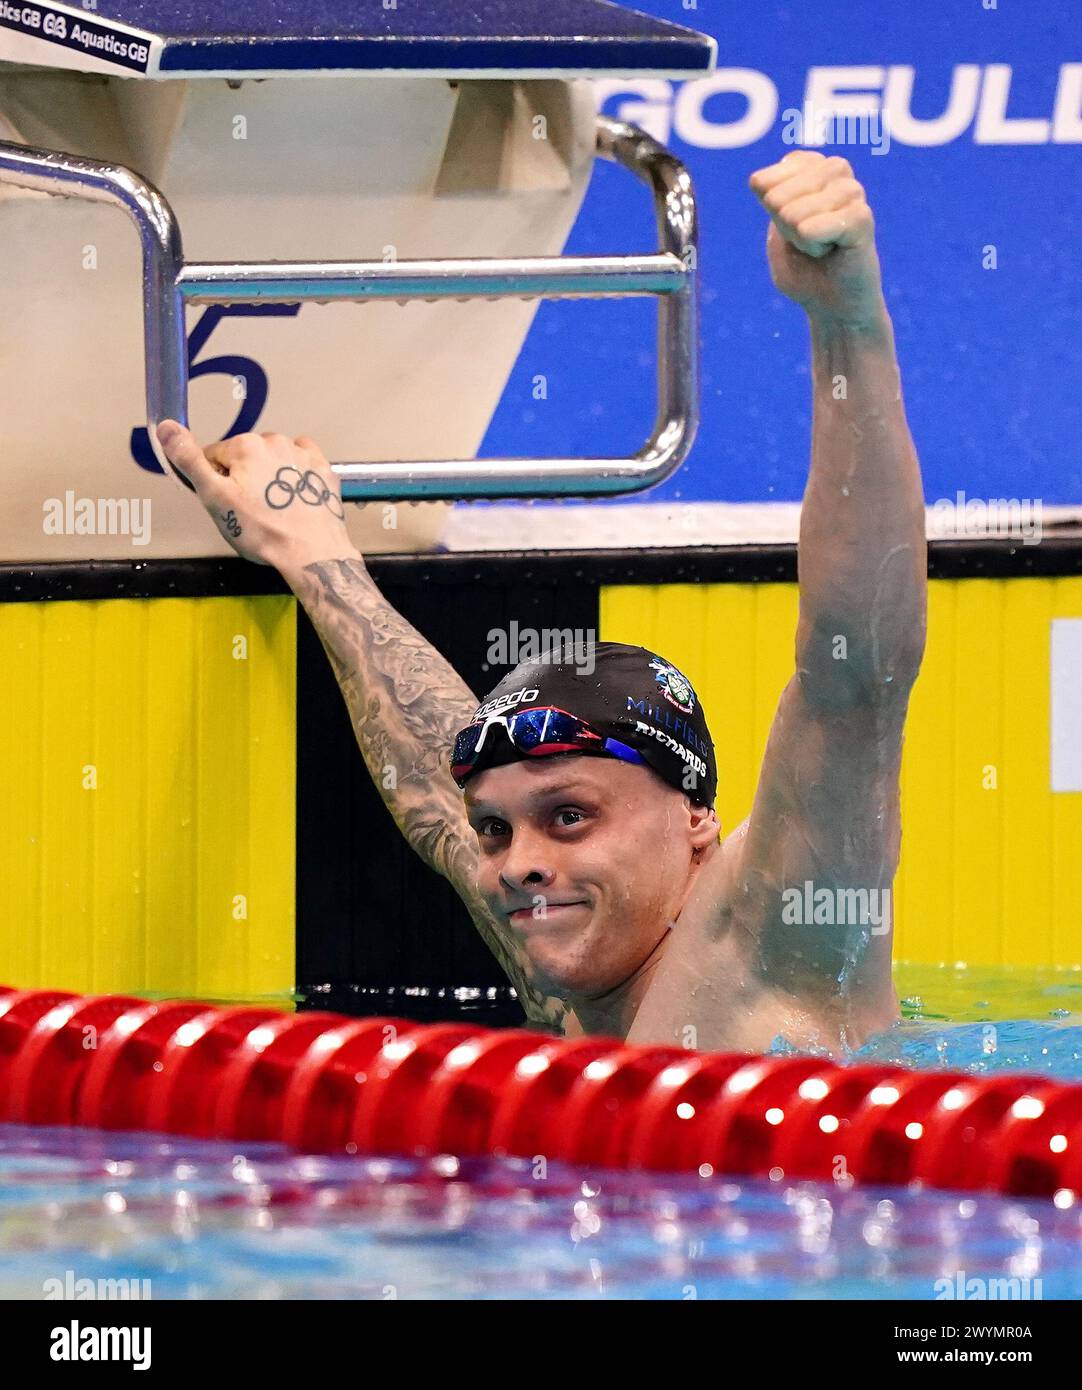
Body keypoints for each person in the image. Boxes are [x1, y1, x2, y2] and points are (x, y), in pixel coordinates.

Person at [157, 150, 926, 1055]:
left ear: (695, 821)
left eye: (571, 816)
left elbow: (858, 671)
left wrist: (847, 323)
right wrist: (315, 551)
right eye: (498, 830)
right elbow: (429, 784)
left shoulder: (771, 942)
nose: (518, 862)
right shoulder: (565, 954)